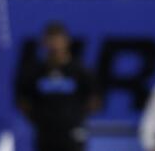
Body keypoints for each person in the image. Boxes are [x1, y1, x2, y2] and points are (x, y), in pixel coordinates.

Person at [15, 22, 99, 151]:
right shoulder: (34, 72)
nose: (54, 45)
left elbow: (94, 100)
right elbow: (23, 101)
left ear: (67, 41)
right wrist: (39, 119)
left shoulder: (81, 71)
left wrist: (75, 117)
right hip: (45, 134)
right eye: (50, 40)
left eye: (58, 40)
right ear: (43, 42)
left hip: (72, 132)